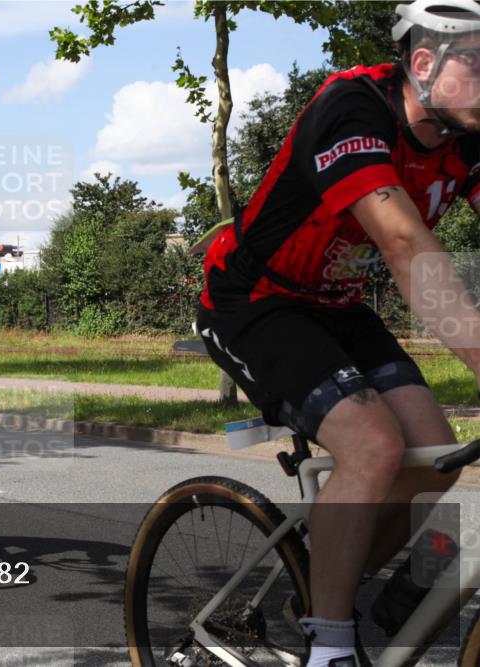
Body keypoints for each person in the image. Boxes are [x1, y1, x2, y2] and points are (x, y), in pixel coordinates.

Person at [195, 2, 480, 666]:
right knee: (373, 442)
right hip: (253, 299)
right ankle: (329, 641)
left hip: (336, 302)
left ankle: (317, 590)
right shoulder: (351, 109)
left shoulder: (468, 136)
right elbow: (408, 246)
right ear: (423, 64)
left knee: (436, 451)